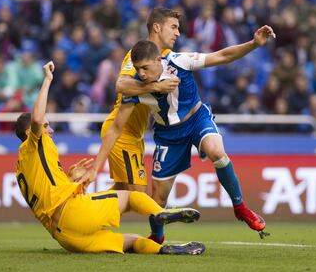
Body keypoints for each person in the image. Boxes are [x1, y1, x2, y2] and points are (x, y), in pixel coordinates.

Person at [83, 25, 276, 239]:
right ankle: (157, 236)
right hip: (168, 136)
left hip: (196, 119)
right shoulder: (138, 89)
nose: (141, 74)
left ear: (158, 61)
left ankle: (240, 207)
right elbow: (116, 127)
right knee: (157, 198)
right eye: (137, 69)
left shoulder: (179, 61)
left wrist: (253, 44)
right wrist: (96, 167)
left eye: (145, 68)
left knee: (217, 152)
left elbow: (222, 56)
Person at [15, 61, 204, 255]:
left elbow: (48, 194)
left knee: (131, 242)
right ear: (29, 132)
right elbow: (37, 118)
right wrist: (47, 80)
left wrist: (70, 180)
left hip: (65, 237)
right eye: (47, 126)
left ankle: (164, 250)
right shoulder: (34, 143)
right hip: (73, 214)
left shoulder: (22, 165)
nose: (50, 130)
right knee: (132, 197)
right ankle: (161, 213)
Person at [100, 7, 182, 244]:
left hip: (135, 136)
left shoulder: (164, 58)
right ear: (157, 27)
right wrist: (155, 87)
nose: (178, 33)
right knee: (138, 196)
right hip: (122, 132)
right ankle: (165, 218)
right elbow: (121, 84)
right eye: (173, 27)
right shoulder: (139, 55)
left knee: (121, 191)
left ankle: (83, 217)